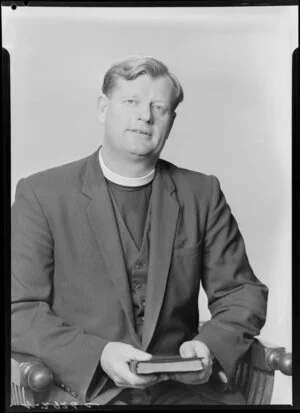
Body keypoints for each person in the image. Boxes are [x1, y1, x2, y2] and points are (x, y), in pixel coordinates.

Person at [11, 55, 268, 406]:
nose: (145, 116)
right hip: (83, 391)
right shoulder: (41, 194)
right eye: (131, 101)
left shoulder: (201, 193)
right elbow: (18, 309)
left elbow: (242, 292)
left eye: (158, 107)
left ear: (171, 120)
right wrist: (98, 355)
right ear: (103, 108)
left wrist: (209, 346)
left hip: (182, 388)